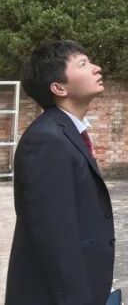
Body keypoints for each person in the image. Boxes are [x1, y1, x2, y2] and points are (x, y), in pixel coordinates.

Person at [5, 40, 115, 305]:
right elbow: (54, 236)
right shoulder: (47, 139)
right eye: (83, 64)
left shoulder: (66, 132)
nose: (96, 68)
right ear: (59, 88)